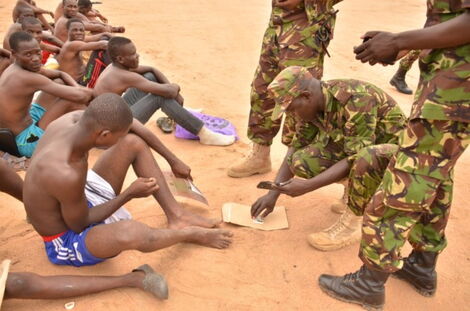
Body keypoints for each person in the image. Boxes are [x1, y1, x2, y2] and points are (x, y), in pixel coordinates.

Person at [317, 2, 470, 310]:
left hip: (454, 92)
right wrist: (401, 47)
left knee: (405, 182)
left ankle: (370, 282)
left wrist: (399, 40)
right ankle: (421, 265)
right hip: (447, 88)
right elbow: (449, 19)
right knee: (435, 178)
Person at [23, 94, 232, 267]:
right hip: (66, 237)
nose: (119, 139)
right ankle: (189, 234)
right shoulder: (65, 172)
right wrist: (128, 195)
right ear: (104, 134)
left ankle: (178, 216)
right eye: (117, 135)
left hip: (78, 197)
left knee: (133, 142)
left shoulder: (71, 121)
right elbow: (80, 223)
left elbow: (131, 124)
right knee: (130, 231)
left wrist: (173, 159)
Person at [250, 66, 406, 251]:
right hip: (362, 151)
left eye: (292, 108)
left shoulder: (356, 99)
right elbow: (296, 146)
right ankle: (353, 191)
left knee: (366, 157)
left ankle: (353, 223)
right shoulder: (312, 105)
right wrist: (273, 194)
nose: (292, 114)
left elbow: (357, 157)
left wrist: (308, 185)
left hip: (400, 160)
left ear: (306, 96)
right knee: (301, 161)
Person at [0, 159, 170, 302]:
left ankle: (35, 207)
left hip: (74, 220)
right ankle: (132, 279)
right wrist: (127, 194)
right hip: (68, 240)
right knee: (17, 284)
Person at [228, 0, 343, 178]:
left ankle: (296, 163)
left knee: (300, 101)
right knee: (263, 91)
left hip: (305, 35)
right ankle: (260, 156)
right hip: (277, 29)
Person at [94, 36, 235, 146]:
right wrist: (175, 89)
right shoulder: (123, 76)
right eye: (133, 54)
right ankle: (204, 134)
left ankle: (180, 113)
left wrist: (172, 92)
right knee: (160, 97)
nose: (138, 56)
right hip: (112, 133)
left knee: (150, 77)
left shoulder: (115, 67)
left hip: (112, 117)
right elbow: (168, 92)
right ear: (121, 58)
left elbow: (152, 70)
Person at [0, 31, 93, 158]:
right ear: (14, 54)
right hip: (26, 143)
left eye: (38, 52)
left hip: (26, 123)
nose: (36, 58)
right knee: (71, 100)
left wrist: (77, 88)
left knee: (60, 83)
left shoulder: (15, 67)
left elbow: (60, 74)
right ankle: (99, 129)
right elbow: (82, 96)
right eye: (28, 54)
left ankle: (90, 123)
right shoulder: (26, 77)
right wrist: (86, 92)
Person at [57, 18, 110, 87]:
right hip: (79, 82)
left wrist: (106, 34)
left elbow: (95, 37)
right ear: (67, 32)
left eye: (81, 30)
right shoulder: (72, 44)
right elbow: (102, 45)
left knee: (104, 40)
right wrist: (117, 42)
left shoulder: (75, 39)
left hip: (82, 76)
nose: (79, 32)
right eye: (75, 30)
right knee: (99, 52)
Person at [54, 0, 124, 42]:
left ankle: (110, 29)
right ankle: (110, 29)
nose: (72, 9)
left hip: (73, 35)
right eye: (70, 7)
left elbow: (81, 15)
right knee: (102, 35)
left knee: (93, 22)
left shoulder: (69, 13)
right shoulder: (66, 21)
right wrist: (103, 34)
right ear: (63, 7)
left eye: (74, 7)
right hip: (70, 40)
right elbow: (82, 39)